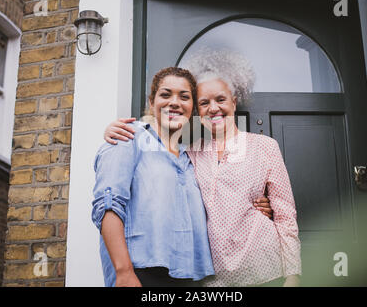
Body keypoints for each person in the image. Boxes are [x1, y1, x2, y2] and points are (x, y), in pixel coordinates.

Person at [104, 49, 301, 287]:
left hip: (265, 269)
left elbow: (286, 216)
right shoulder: (190, 154)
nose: (214, 108)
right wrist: (114, 131)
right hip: (212, 280)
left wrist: (293, 274)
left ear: (234, 102)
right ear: (197, 111)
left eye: (220, 99)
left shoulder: (265, 147)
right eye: (204, 103)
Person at [92, 67, 215, 287]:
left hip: (190, 278)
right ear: (152, 102)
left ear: (192, 108)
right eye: (166, 95)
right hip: (141, 275)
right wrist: (124, 272)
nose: (175, 102)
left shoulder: (190, 158)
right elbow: (108, 205)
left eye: (184, 97)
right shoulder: (128, 137)